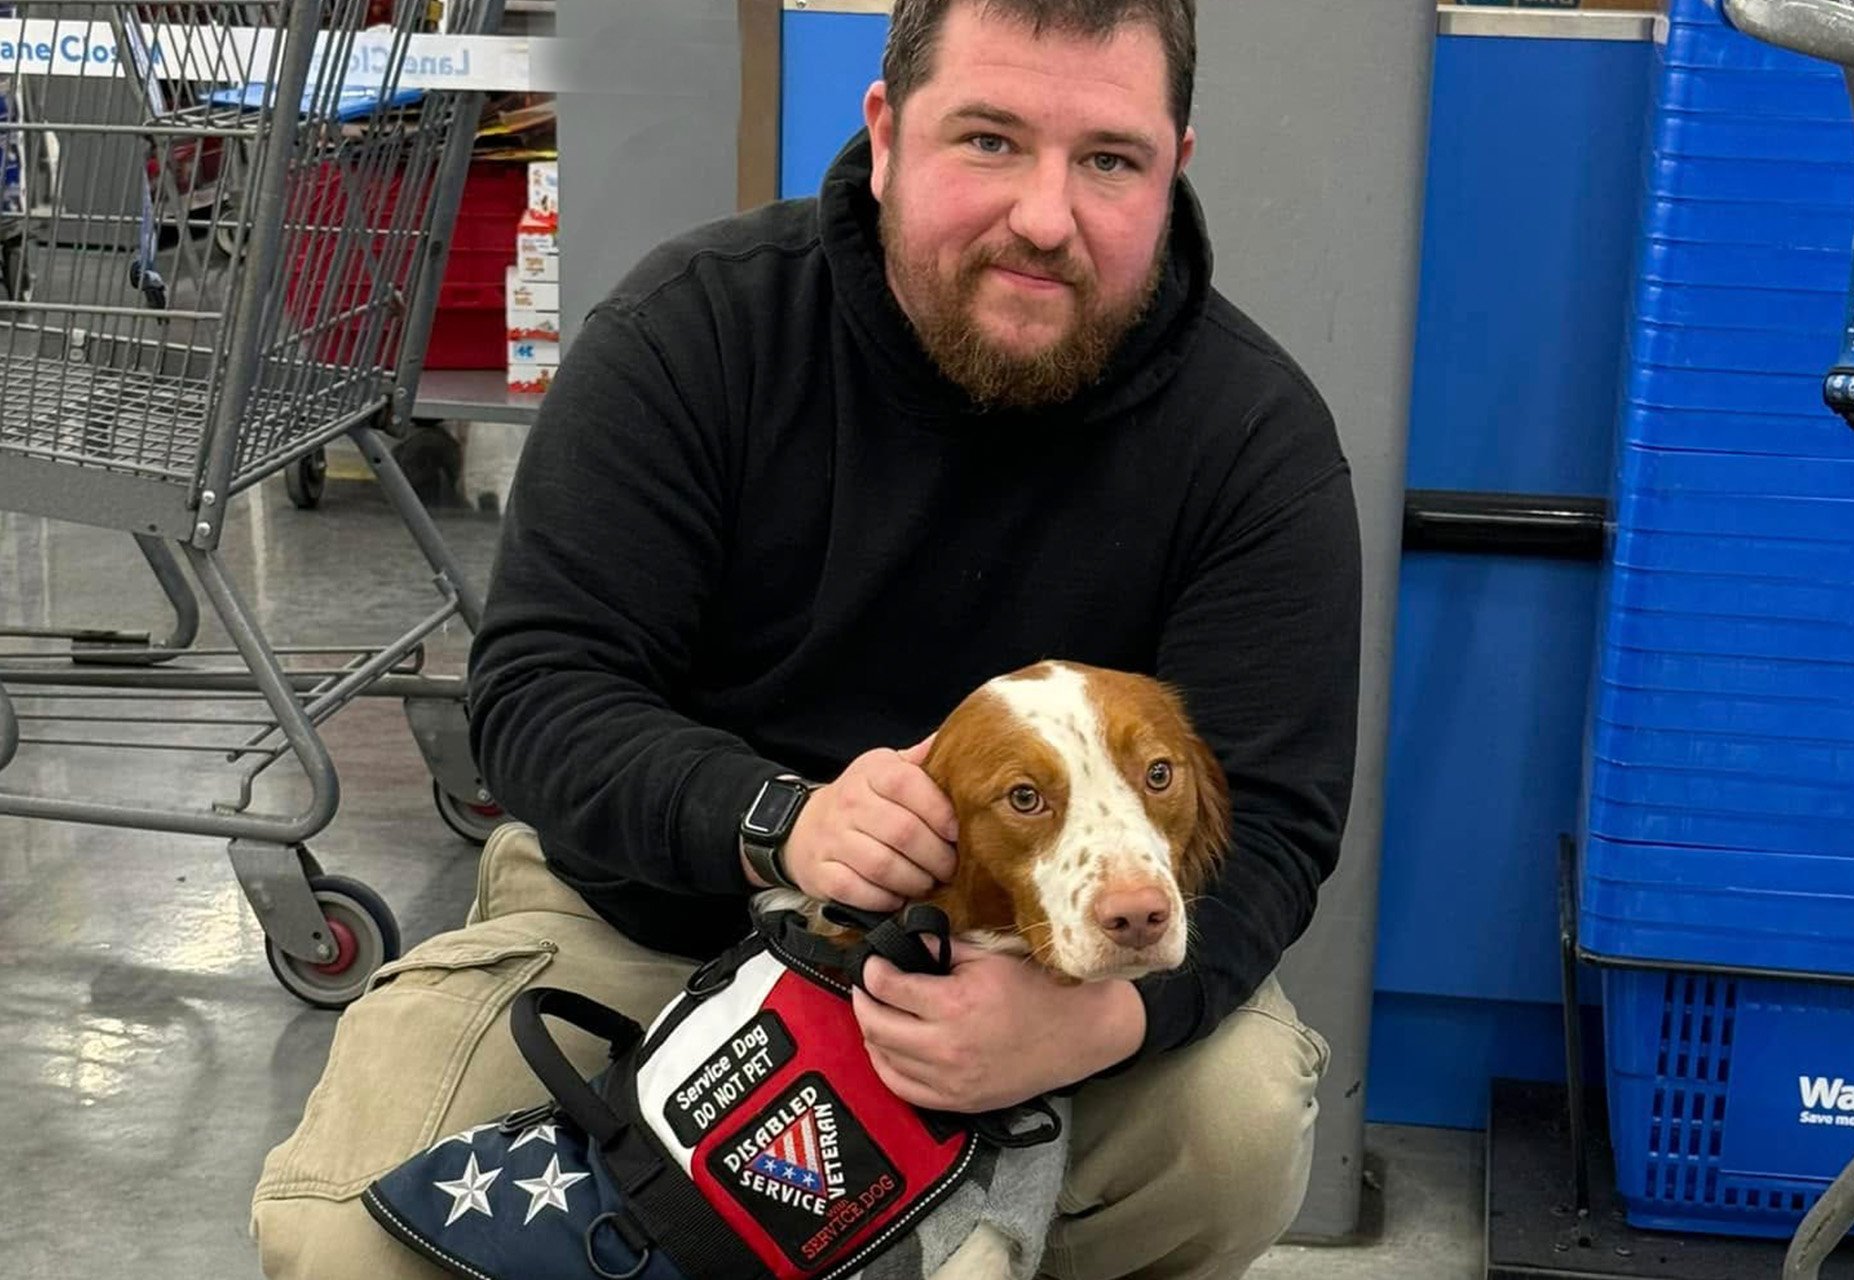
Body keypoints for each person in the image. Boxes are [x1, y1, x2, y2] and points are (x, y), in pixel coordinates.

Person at [251, 0, 1361, 1276]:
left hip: (1039, 979)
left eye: (1108, 159)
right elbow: (541, 693)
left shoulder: (1252, 439)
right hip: (649, 929)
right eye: (989, 140)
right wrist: (778, 816)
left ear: (1172, 169)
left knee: (1236, 1125)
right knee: (345, 1241)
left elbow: (1269, 821)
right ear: (885, 135)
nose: (1047, 217)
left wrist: (1110, 1017)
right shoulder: (692, 334)